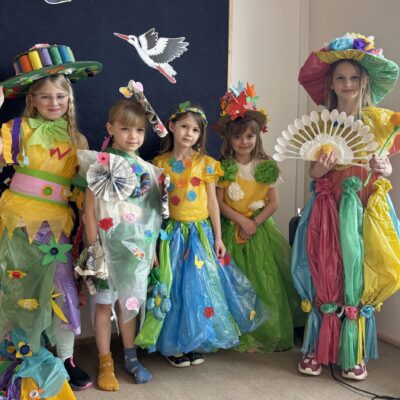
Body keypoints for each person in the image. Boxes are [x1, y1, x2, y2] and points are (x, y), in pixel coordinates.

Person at [295, 32, 400, 380]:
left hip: (365, 208)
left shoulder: (380, 122)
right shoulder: (322, 123)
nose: (348, 83)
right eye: (340, 77)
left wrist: (385, 168)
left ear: (364, 80)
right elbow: (313, 173)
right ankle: (316, 347)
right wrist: (320, 168)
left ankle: (354, 353)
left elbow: (385, 165)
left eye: (354, 77)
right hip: (328, 206)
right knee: (326, 270)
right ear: (331, 83)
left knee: (359, 272)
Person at [0, 43, 101, 397]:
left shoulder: (78, 140)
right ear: (32, 100)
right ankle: (17, 355)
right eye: (45, 97)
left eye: (60, 96)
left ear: (69, 99)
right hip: (16, 224)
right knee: (18, 291)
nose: (54, 102)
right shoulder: (17, 129)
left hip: (57, 228)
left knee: (62, 292)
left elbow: (85, 191)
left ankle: (65, 359)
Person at [135, 101, 268, 367]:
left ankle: (192, 340)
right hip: (172, 235)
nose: (189, 133)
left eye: (195, 130)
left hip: (200, 234)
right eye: (184, 127)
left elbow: (213, 203)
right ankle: (173, 345)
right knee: (174, 288)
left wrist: (218, 237)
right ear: (171, 126)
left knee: (200, 288)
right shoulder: (159, 164)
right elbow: (152, 207)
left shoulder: (206, 163)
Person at [76, 98, 163, 390]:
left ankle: (131, 357)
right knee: (103, 305)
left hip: (134, 250)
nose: (132, 136)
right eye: (125, 129)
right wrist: (94, 249)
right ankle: (105, 361)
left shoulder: (148, 171)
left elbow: (151, 216)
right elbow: (89, 212)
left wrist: (150, 251)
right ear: (110, 128)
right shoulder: (100, 163)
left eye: (139, 130)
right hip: (103, 248)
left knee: (129, 303)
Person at [215, 83, 304, 353]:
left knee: (265, 281)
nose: (244, 142)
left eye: (249, 136)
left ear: (258, 137)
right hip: (232, 229)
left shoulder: (266, 167)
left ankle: (264, 331)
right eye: (238, 137)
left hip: (261, 230)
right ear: (229, 139)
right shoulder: (224, 168)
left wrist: (254, 222)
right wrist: (242, 221)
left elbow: (274, 202)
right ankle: (239, 330)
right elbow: (218, 203)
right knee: (235, 281)